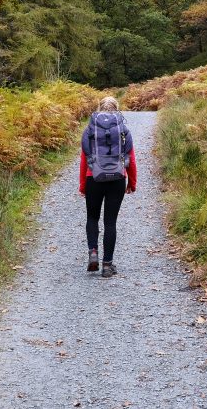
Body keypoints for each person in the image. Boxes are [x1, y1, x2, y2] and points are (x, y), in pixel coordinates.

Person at [79, 96, 136, 277]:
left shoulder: (90, 130)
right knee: (110, 221)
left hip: (93, 178)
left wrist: (83, 185)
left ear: (99, 108)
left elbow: (83, 160)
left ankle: (93, 253)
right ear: (117, 110)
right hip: (117, 179)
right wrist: (131, 182)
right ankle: (107, 265)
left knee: (92, 218)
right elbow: (131, 159)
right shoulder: (123, 130)